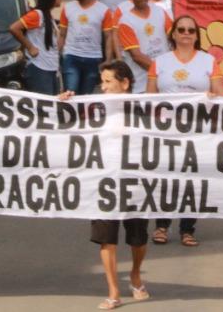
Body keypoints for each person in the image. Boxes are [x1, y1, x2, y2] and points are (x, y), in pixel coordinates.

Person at [61, 61, 150, 310]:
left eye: (109, 81)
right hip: (103, 182)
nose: (104, 86)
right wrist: (63, 103)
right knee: (106, 239)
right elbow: (67, 125)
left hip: (135, 182)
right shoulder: (94, 108)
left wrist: (205, 100)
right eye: (103, 81)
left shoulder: (140, 109)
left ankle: (135, 274)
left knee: (138, 238)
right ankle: (113, 290)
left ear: (125, 83)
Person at [147, 15, 223, 246]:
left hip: (197, 129)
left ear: (196, 35)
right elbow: (149, 97)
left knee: (191, 180)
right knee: (165, 178)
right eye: (181, 29)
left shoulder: (208, 61)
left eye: (191, 30)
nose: (186, 34)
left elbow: (221, 93)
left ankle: (187, 228)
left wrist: (213, 97)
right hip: (166, 129)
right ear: (173, 34)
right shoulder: (159, 62)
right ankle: (161, 225)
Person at [59, 0, 117, 95]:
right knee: (70, 94)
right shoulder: (67, 8)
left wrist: (108, 60)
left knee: (86, 98)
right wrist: (57, 56)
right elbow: (62, 35)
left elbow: (108, 37)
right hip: (71, 57)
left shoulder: (103, 10)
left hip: (93, 59)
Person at [115, 0, 173, 93]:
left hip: (164, 81)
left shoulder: (160, 12)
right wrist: (162, 72)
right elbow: (137, 56)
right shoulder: (125, 21)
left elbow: (174, 38)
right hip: (142, 84)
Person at [10, 0, 63, 95]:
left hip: (50, 68)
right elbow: (14, 28)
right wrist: (30, 47)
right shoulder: (37, 15)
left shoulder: (48, 16)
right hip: (39, 69)